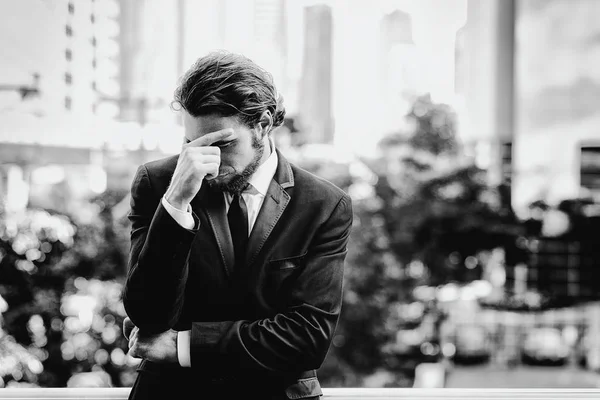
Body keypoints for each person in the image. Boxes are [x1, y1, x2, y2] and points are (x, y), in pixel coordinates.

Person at [121, 50, 353, 399]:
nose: (207, 161)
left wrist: (184, 346)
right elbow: (148, 316)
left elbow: (308, 338)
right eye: (191, 143)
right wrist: (177, 202)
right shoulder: (157, 183)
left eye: (223, 143)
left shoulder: (324, 205)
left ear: (261, 125)